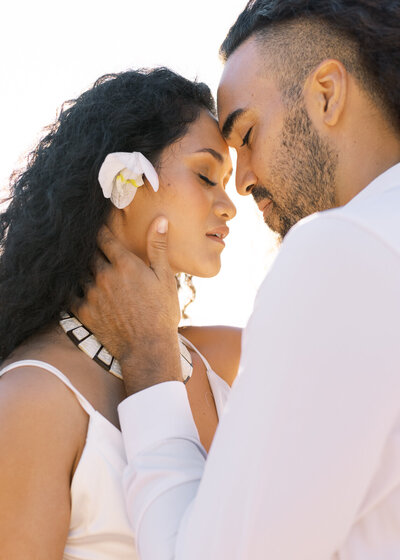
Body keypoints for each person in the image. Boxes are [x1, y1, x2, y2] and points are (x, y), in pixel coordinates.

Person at [76, 1, 400, 559]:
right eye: (210, 173)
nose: (243, 184)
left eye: (247, 134)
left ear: (326, 93)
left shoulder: (339, 251)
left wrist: (151, 361)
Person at [0, 67, 241, 559]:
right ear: (122, 183)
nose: (228, 206)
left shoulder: (230, 360)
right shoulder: (32, 400)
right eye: (205, 176)